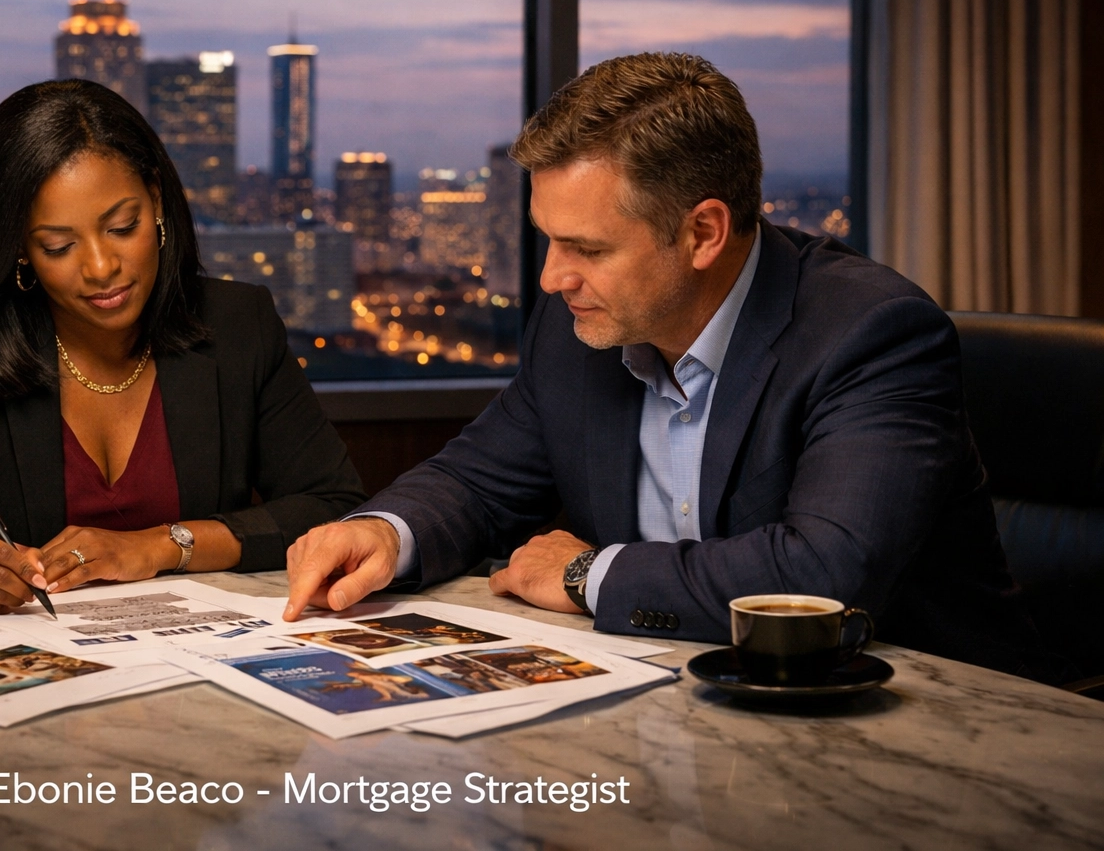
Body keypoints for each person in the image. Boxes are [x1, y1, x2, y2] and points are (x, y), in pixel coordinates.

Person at [283, 52, 1053, 678]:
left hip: (919, 729)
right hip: (678, 704)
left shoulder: (871, 334)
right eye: (549, 240)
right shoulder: (578, 323)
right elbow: (480, 479)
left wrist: (592, 577)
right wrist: (387, 531)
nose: (552, 278)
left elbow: (824, 575)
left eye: (587, 248)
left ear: (704, 233)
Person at [0, 79, 365, 612]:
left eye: (121, 227)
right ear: (19, 246)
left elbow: (332, 504)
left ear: (156, 200)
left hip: (194, 679)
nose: (102, 268)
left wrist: (162, 546)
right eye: (57, 245)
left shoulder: (237, 325)